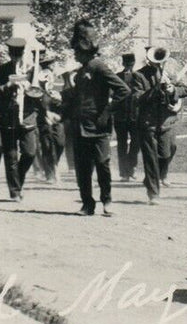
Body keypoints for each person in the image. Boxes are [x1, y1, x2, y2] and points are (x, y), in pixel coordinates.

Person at [64, 20, 129, 217]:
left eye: (76, 49)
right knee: (82, 168)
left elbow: (123, 90)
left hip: (99, 127)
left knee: (102, 164)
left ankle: (107, 201)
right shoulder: (81, 70)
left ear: (84, 49)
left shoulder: (99, 66)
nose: (74, 54)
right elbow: (76, 100)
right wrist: (67, 84)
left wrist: (107, 112)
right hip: (80, 126)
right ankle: (87, 204)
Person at [132, 46, 187, 205]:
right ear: (149, 58)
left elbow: (186, 89)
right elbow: (137, 97)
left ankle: (155, 177)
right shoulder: (139, 75)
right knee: (150, 159)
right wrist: (156, 90)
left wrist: (173, 90)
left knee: (166, 153)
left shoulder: (171, 72)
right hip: (148, 123)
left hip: (167, 122)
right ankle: (153, 193)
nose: (159, 62)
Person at [0, 38, 40, 201]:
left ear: (23, 53)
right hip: (8, 117)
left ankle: (18, 179)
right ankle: (15, 191)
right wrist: (8, 86)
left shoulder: (32, 70)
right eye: (13, 54)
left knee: (30, 153)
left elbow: (39, 93)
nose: (16, 57)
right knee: (10, 156)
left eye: (19, 54)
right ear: (10, 54)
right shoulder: (2, 70)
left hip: (27, 117)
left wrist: (31, 89)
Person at [35, 55, 64, 182]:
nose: (50, 67)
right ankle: (50, 173)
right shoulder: (38, 79)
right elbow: (37, 97)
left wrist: (59, 99)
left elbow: (62, 94)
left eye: (51, 65)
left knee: (60, 143)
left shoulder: (58, 78)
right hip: (43, 115)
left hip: (58, 116)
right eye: (47, 65)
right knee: (46, 145)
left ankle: (54, 164)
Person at [113, 51, 139, 181]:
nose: (129, 66)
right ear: (123, 63)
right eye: (127, 64)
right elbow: (113, 94)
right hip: (121, 116)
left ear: (134, 64)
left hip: (135, 116)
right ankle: (124, 173)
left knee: (136, 143)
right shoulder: (117, 77)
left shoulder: (138, 76)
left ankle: (132, 168)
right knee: (121, 145)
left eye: (131, 64)